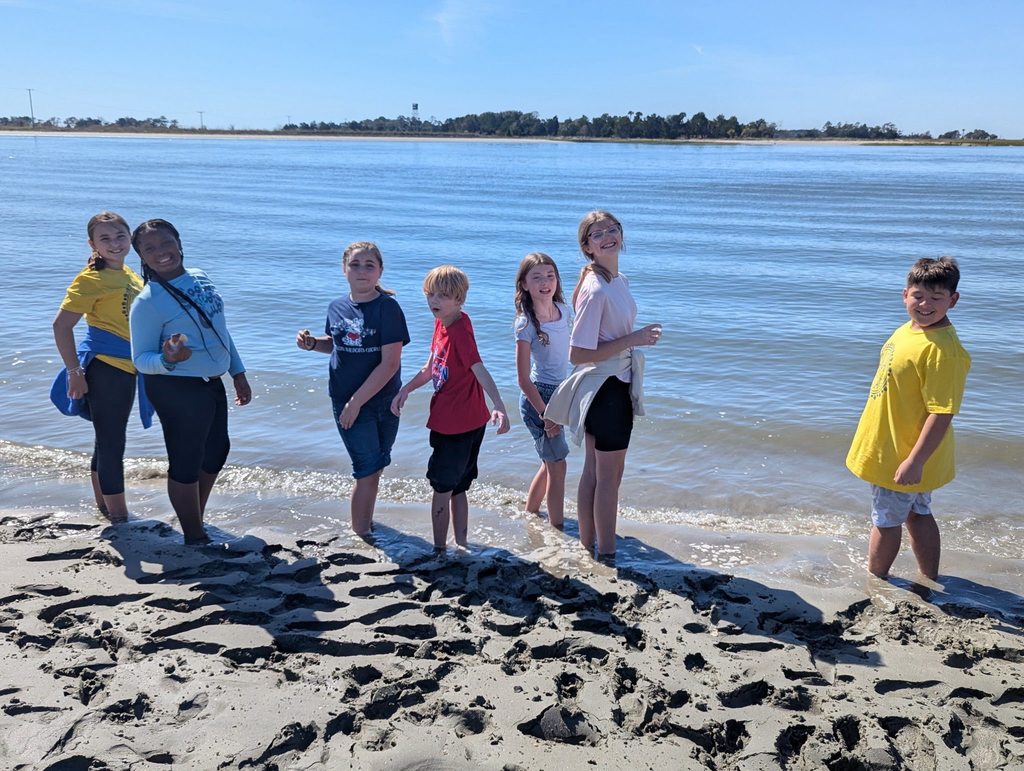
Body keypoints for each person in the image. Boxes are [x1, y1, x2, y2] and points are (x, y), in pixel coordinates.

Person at [546, 211, 662, 559]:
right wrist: (635, 338)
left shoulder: (617, 280)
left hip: (613, 386)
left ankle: (589, 544)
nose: (608, 236)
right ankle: (607, 554)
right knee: (607, 478)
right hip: (606, 390)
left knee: (596, 473)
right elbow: (578, 353)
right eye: (598, 234)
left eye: (613, 230)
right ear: (588, 246)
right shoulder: (597, 288)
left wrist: (631, 341)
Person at [846, 257, 971, 580]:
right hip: (894, 445)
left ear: (953, 300)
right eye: (918, 296)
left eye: (936, 298)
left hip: (905, 454)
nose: (925, 304)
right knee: (917, 513)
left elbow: (942, 411)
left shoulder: (943, 351)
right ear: (905, 295)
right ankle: (929, 577)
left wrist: (915, 460)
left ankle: (875, 580)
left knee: (886, 520)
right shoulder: (911, 329)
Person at [128, 219, 252, 545]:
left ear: (179, 242)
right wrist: (169, 358)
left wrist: (237, 372)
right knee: (186, 459)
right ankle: (195, 536)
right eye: (149, 248)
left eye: (166, 243)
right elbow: (141, 359)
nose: (161, 252)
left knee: (216, 452)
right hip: (175, 386)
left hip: (210, 381)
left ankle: (194, 516)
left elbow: (219, 330)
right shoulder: (148, 301)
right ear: (141, 256)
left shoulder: (200, 277)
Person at [391, 265, 509, 550]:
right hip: (454, 420)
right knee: (455, 486)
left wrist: (499, 404)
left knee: (447, 487)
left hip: (459, 425)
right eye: (431, 294)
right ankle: (458, 545)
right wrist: (405, 389)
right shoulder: (441, 323)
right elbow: (431, 368)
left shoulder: (459, 331)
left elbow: (478, 368)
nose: (434, 301)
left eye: (443, 296)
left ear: (459, 300)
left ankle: (442, 549)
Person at [296, 241, 410, 536]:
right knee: (366, 469)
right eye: (355, 264)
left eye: (369, 265)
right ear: (344, 269)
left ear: (380, 271)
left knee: (377, 466)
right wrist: (312, 344)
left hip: (384, 400)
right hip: (347, 401)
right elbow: (336, 345)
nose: (362, 271)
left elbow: (389, 364)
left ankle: (365, 524)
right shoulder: (336, 307)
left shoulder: (388, 308)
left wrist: (358, 402)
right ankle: (362, 534)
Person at [51, 211, 151, 522]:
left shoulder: (131, 276)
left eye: (120, 236)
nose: (114, 243)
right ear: (92, 244)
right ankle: (120, 517)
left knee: (106, 439)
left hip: (129, 367)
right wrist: (74, 372)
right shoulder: (91, 279)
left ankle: (105, 507)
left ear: (130, 239)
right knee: (112, 442)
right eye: (104, 238)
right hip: (106, 368)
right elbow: (61, 326)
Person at [514, 252, 571, 528]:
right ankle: (558, 528)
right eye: (536, 277)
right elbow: (523, 380)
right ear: (524, 284)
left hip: (562, 394)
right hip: (539, 398)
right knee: (558, 465)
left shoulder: (565, 310)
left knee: (549, 463)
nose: (545, 282)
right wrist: (546, 415)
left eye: (550, 275)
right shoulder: (526, 323)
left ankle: (531, 512)